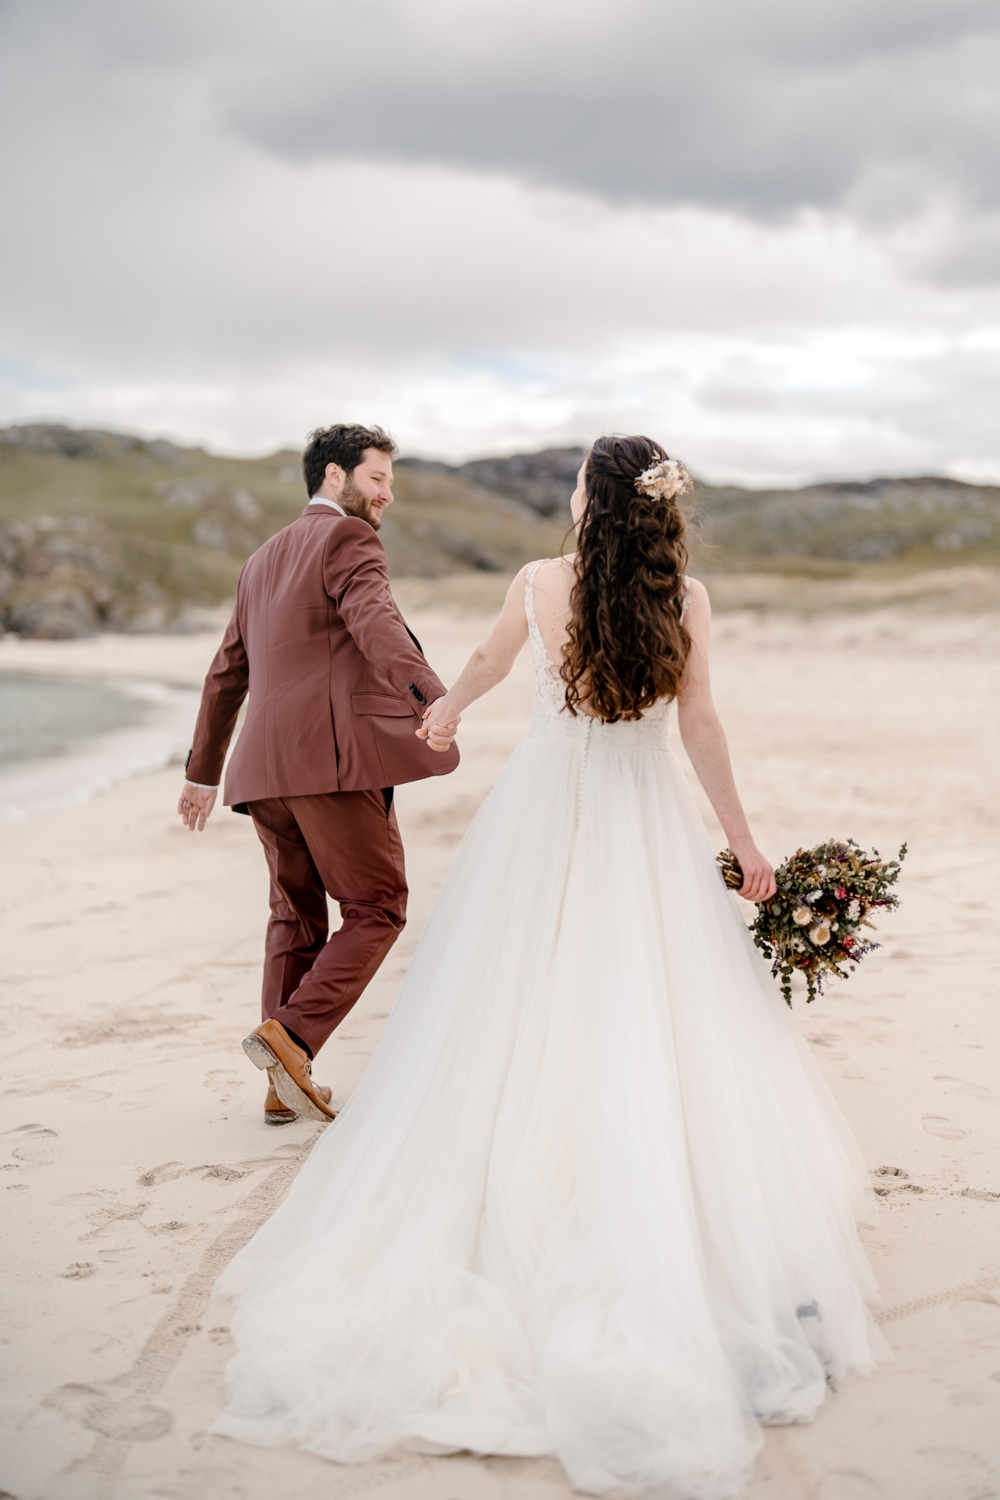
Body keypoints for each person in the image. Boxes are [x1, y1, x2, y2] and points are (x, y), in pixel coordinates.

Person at [212, 435, 885, 1498]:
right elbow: (700, 724)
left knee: (508, 1003)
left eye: (576, 478)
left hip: (540, 815)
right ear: (658, 512)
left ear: (588, 499)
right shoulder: (687, 598)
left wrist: (447, 709)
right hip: (643, 819)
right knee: (652, 1007)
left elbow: (484, 664)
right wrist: (744, 843)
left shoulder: (536, 584)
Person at [177, 423, 459, 1125]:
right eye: (377, 479)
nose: (388, 495)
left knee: (293, 916)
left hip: (261, 770)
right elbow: (375, 621)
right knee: (378, 906)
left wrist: (204, 773)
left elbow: (226, 673)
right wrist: (432, 697)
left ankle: (282, 1087)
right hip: (328, 763)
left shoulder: (259, 559)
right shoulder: (348, 539)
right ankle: (291, 1038)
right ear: (334, 476)